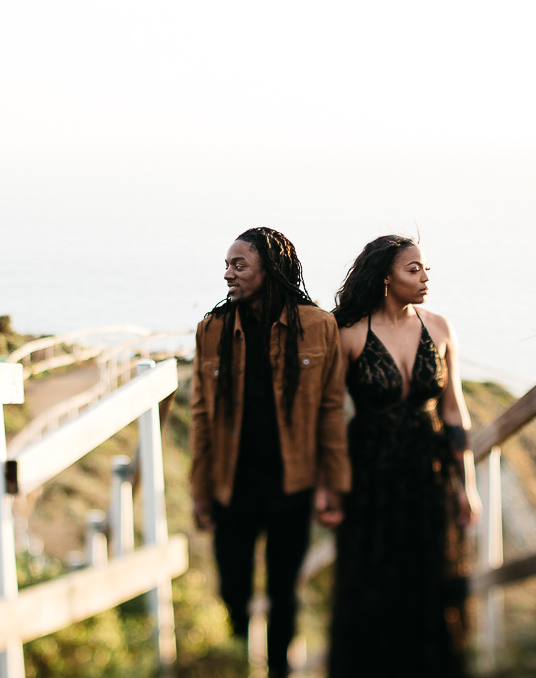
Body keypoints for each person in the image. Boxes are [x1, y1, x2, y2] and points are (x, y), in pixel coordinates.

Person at [189, 227, 350, 678]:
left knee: (284, 591)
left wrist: (333, 484)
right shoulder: (212, 329)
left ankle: (280, 670)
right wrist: (200, 490)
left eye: (239, 265)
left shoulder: (318, 326)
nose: (228, 274)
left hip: (292, 484)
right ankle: (238, 665)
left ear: (271, 268)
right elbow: (200, 414)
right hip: (231, 484)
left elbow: (331, 409)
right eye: (226, 265)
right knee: (233, 590)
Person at [327, 235, 480, 678]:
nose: (425, 277)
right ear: (385, 278)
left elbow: (454, 411)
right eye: (414, 270)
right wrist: (329, 487)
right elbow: (329, 415)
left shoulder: (441, 328)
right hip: (369, 479)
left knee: (430, 582)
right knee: (373, 585)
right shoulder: (349, 333)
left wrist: (466, 485)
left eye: (426, 268)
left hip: (429, 477)